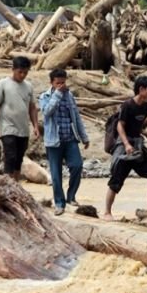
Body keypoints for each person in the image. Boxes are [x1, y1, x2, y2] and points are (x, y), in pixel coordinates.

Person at [104, 76, 147, 221]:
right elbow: (120, 125)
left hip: (138, 144)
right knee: (116, 179)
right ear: (141, 89)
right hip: (125, 145)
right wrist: (127, 144)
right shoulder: (127, 105)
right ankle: (107, 212)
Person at [39, 69, 89, 216]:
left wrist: (84, 137)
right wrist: (57, 95)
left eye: (63, 82)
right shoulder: (45, 96)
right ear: (52, 83)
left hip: (70, 139)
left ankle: (71, 196)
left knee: (77, 166)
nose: (61, 85)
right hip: (53, 141)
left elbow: (76, 117)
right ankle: (59, 203)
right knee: (56, 175)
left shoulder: (70, 96)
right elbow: (47, 112)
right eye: (58, 83)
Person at [0, 56, 40, 180]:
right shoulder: (3, 84)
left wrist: (35, 126)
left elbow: (32, 108)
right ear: (13, 69)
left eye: (25, 72)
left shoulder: (28, 86)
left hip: (23, 129)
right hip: (8, 127)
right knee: (10, 156)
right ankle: (7, 184)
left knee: (19, 159)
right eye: (20, 72)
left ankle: (15, 184)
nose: (22, 75)